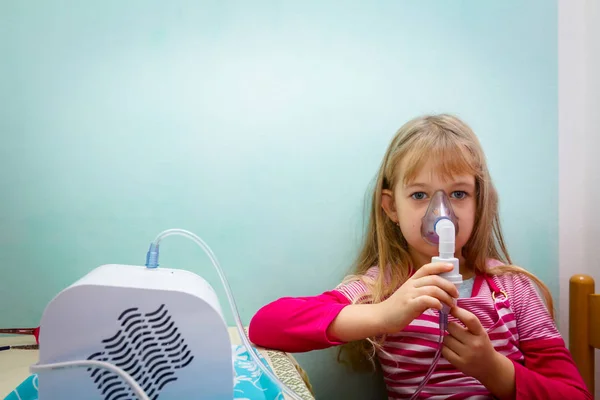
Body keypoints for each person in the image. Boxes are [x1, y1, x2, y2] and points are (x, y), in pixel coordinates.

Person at [248, 114, 591, 400]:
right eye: (419, 194)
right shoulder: (382, 286)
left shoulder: (513, 290)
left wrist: (493, 369)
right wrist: (383, 314)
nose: (441, 213)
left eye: (458, 193)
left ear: (478, 202)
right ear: (391, 208)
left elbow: (574, 394)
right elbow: (266, 326)